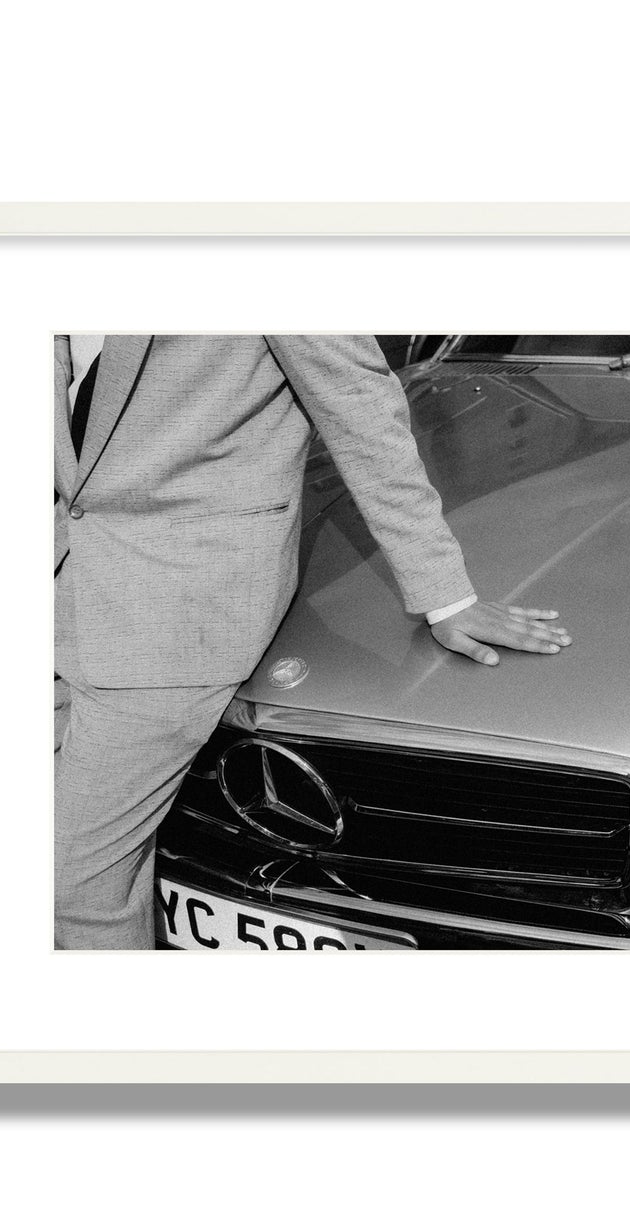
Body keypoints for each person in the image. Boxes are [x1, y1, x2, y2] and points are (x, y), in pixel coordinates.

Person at [54, 334, 570, 949]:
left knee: (71, 883)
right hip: (63, 582)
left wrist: (446, 596)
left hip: (181, 603)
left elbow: (360, 407)